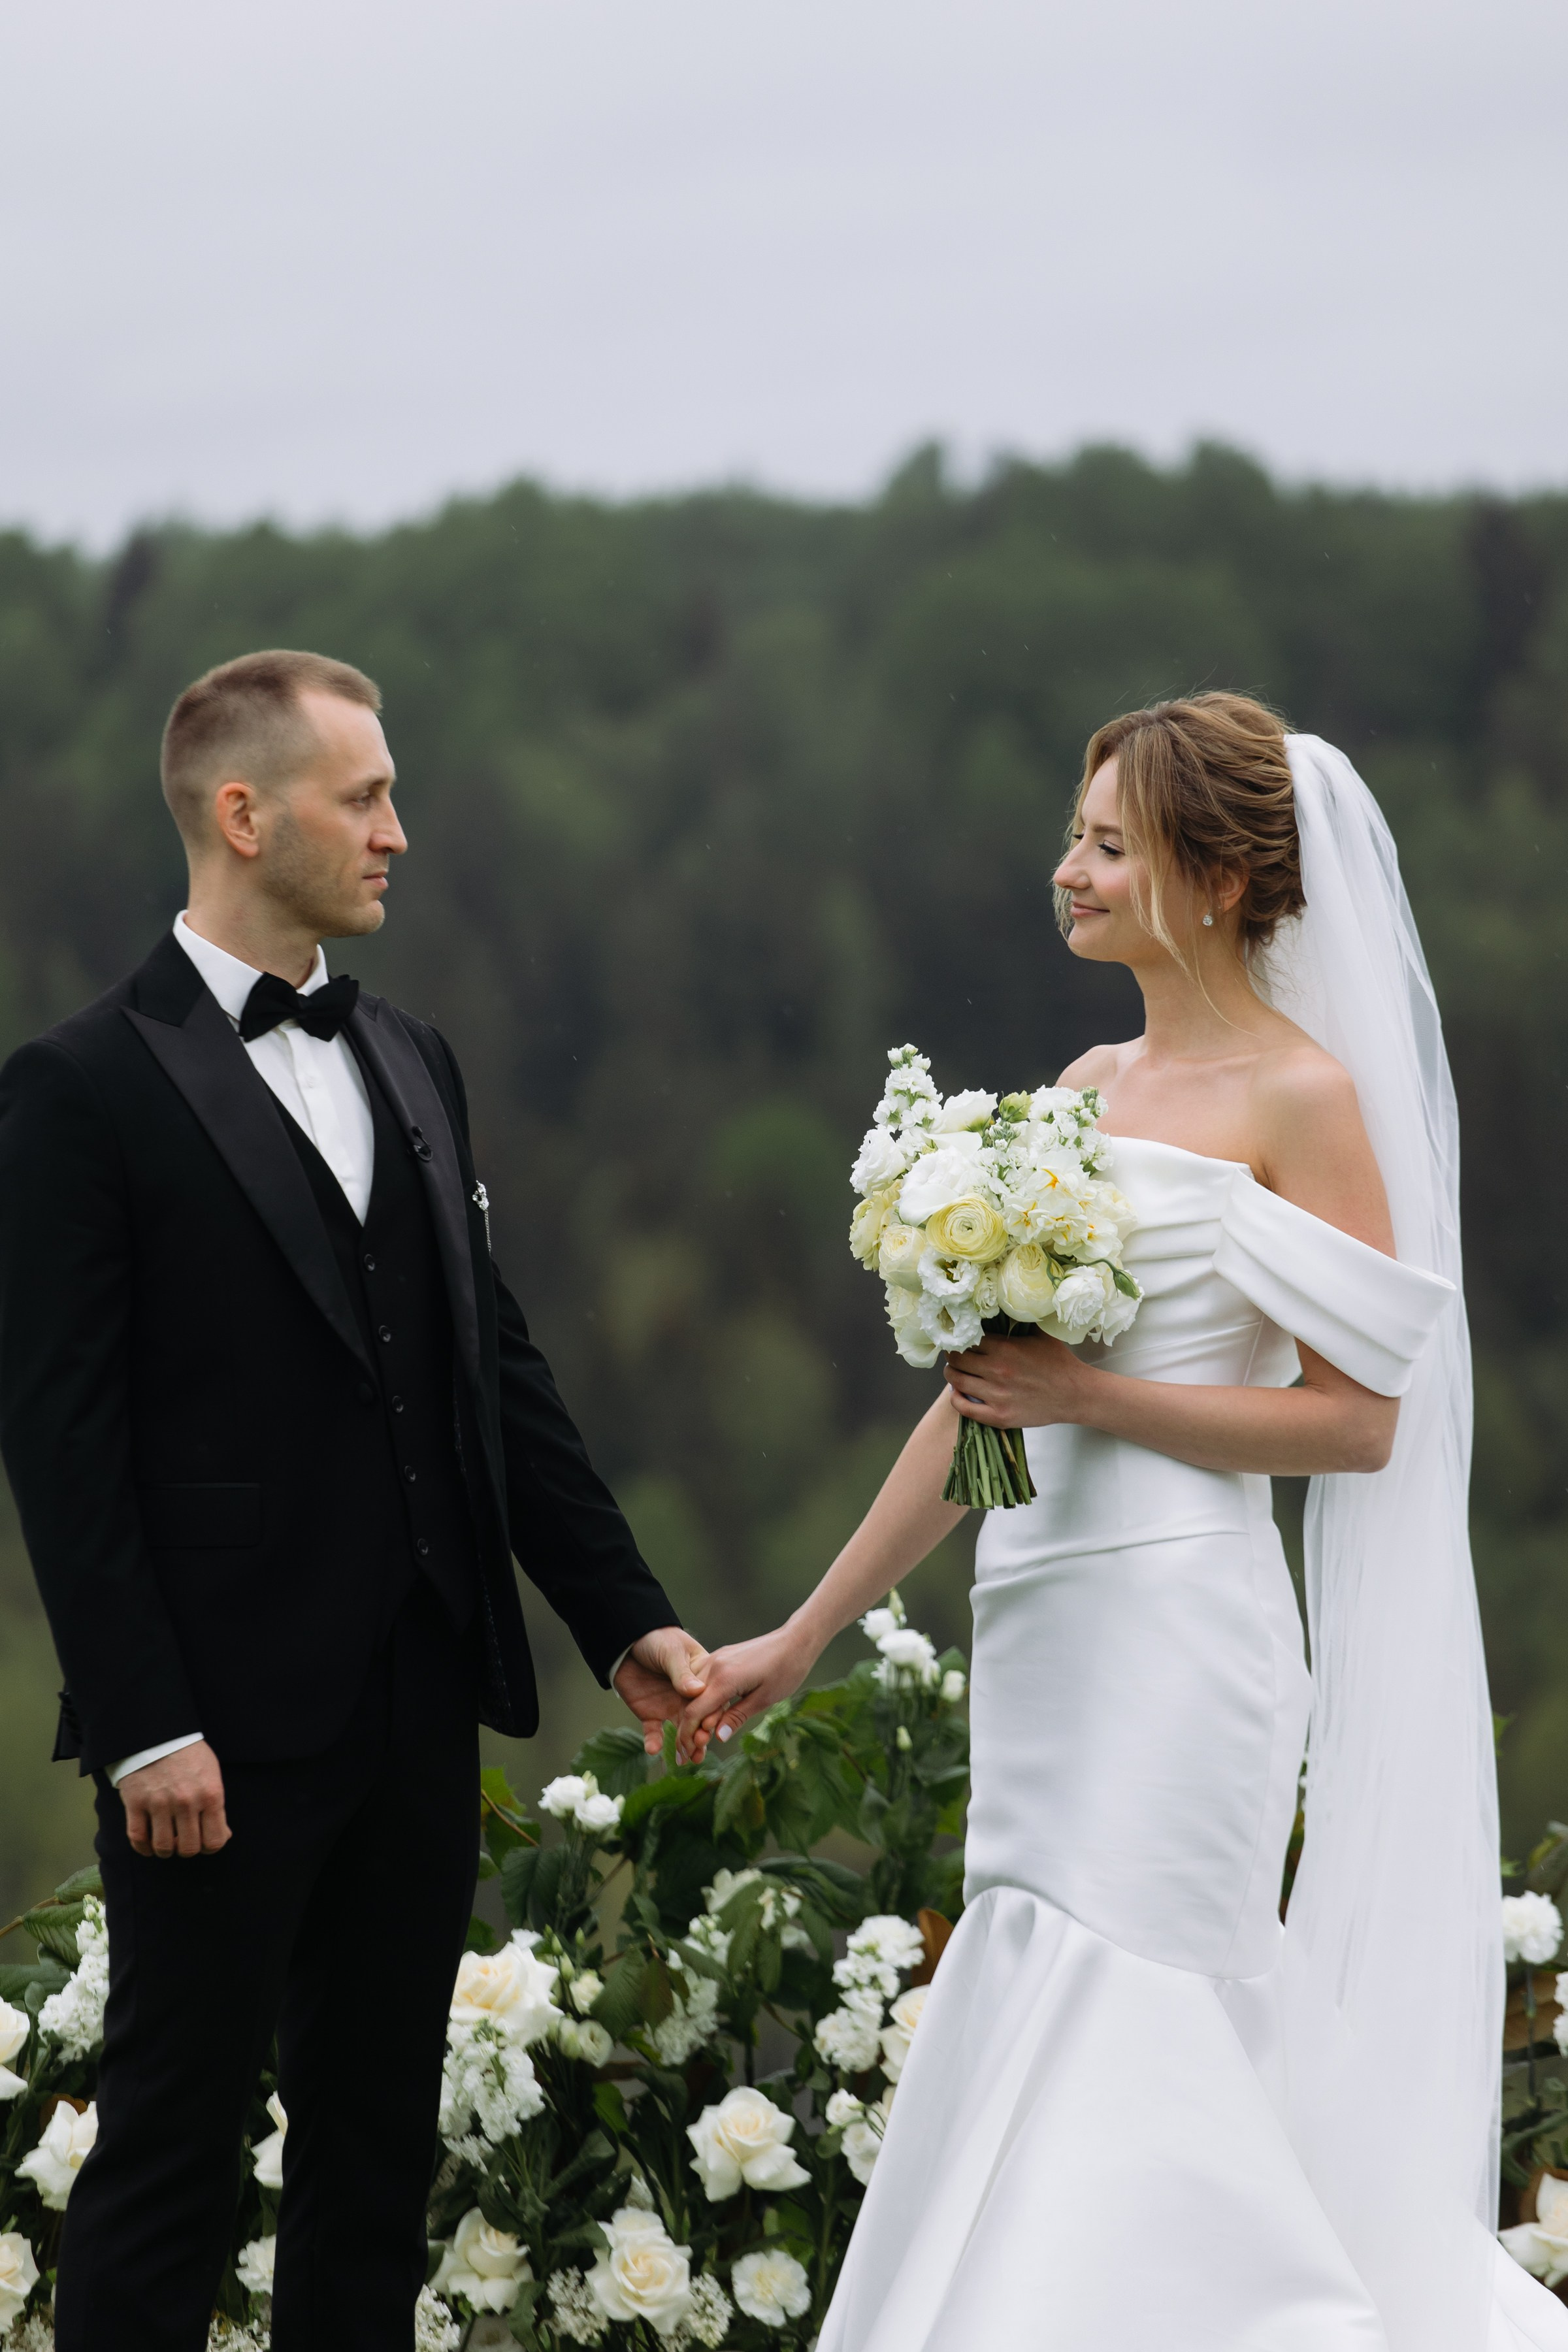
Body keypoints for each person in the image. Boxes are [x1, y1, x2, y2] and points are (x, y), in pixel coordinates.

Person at [683, 694, 1568, 2352]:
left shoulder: (1304, 1100)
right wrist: (798, 1637)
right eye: (1076, 839)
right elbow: (975, 1410)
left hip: (1185, 1630)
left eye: (1107, 844)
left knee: (1146, 1993)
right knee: (1042, 1970)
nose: (1068, 870)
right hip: (1043, 1617)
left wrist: (1103, 1405)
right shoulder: (1084, 1086)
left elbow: (1358, 1424)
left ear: (1219, 878)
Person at [0, 649, 708, 2352]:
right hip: (213, 1740)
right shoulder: (78, 1091)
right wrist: (146, 1718)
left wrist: (625, 1615)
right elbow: (60, 1440)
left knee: (377, 2163)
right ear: (244, 814)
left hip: (413, 1697)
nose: (400, 829)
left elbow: (493, 1365)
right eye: (366, 796)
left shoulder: (410, 1055)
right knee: (170, 2154)